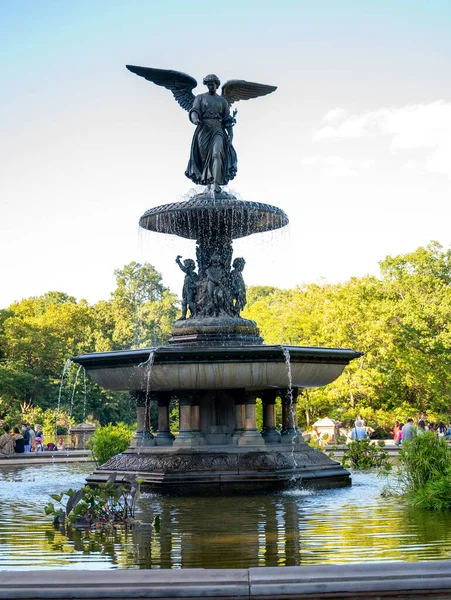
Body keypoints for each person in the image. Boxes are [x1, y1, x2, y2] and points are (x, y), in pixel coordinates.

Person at [185, 74, 237, 193]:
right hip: (203, 130)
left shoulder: (222, 101)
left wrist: (231, 134)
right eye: (208, 84)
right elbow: (194, 111)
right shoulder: (200, 98)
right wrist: (195, 119)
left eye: (212, 84)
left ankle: (215, 183)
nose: (210, 86)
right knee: (204, 160)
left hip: (218, 129)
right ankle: (208, 184)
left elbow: (227, 119)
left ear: (216, 85)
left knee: (216, 154)